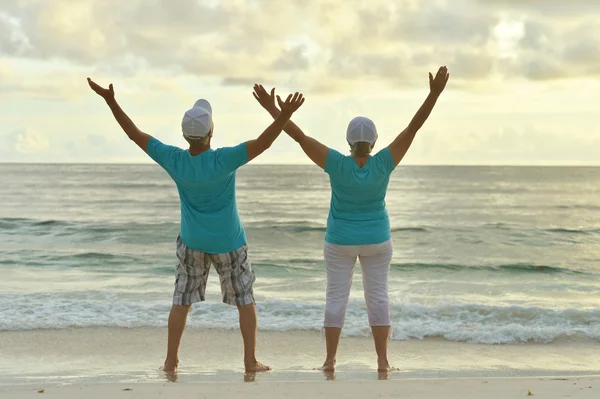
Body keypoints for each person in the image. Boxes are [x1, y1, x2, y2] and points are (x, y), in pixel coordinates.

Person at [87, 77, 304, 374]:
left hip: (192, 243)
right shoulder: (223, 160)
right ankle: (250, 361)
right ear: (211, 131)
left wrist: (111, 101)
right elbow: (264, 143)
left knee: (181, 301)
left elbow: (135, 135)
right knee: (245, 299)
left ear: (184, 135)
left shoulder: (174, 159)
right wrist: (283, 115)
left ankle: (170, 361)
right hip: (229, 242)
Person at [252, 66, 449, 372]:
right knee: (378, 298)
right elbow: (413, 128)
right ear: (374, 142)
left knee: (335, 299)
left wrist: (273, 110)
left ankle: (330, 361)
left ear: (348, 141)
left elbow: (300, 137)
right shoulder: (384, 161)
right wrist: (434, 94)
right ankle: (383, 361)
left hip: (340, 241)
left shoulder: (336, 164)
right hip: (377, 241)